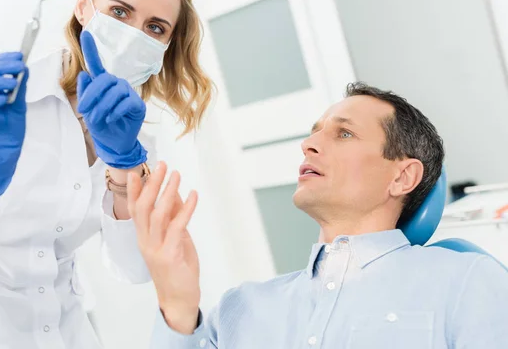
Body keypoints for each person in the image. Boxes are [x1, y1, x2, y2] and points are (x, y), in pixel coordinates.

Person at [0, 0, 212, 348]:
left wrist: (124, 167)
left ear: (165, 47)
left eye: (155, 27)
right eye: (120, 12)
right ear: (84, 6)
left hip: (64, 333)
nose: (134, 34)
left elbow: (135, 268)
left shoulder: (134, 142)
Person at [127, 83, 508, 349]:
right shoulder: (241, 308)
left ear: (402, 176)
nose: (309, 145)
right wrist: (176, 303)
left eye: (343, 134)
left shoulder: (465, 280)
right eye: (314, 133)